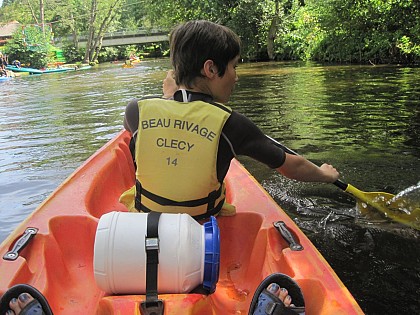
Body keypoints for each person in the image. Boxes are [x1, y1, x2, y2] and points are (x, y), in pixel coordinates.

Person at [120, 20, 338, 314]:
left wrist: (169, 98)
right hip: (200, 237)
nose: (236, 77)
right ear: (211, 69)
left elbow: (148, 128)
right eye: (234, 66)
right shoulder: (231, 125)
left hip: (145, 234)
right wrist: (325, 174)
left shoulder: (136, 110)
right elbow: (292, 166)